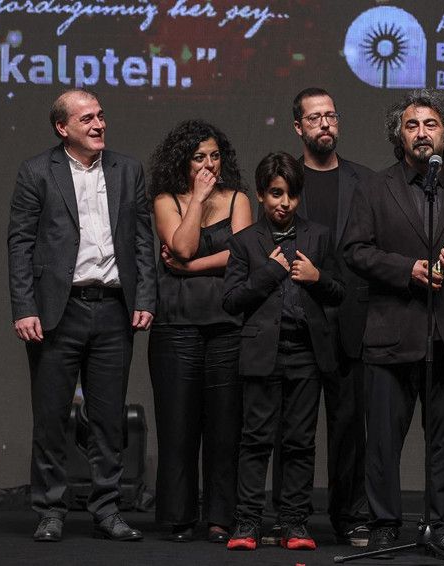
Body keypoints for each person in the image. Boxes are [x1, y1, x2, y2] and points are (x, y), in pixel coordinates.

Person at [343, 89, 444, 554]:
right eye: (412, 125)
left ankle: (441, 527)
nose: (422, 133)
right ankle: (384, 524)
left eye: (431, 125)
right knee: (383, 441)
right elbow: (355, 251)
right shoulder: (374, 187)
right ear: (399, 136)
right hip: (390, 332)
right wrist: (407, 269)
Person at [7, 88, 156, 542]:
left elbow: (143, 240)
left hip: (113, 309)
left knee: (108, 419)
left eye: (101, 116)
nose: (99, 124)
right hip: (59, 310)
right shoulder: (37, 171)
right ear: (62, 128)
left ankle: (107, 509)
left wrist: (145, 297)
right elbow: (20, 243)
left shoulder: (128, 170)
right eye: (87, 118)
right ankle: (51, 510)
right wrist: (24, 307)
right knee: (51, 417)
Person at [223, 152, 345, 551]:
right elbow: (231, 300)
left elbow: (339, 291)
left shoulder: (318, 236)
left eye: (291, 195)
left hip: (306, 352)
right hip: (263, 352)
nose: (284, 203)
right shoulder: (244, 241)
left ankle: (294, 522)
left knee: (299, 441)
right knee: (256, 439)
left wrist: (317, 277)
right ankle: (247, 522)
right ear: (261, 195)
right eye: (276, 194)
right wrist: (270, 273)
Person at [147, 120, 253, 543]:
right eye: (199, 158)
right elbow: (184, 243)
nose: (209, 165)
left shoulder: (239, 199)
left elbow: (243, 255)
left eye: (214, 156)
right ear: (183, 162)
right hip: (176, 327)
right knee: (178, 425)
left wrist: (188, 268)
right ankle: (179, 516)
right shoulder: (165, 200)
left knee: (225, 427)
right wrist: (197, 200)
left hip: (228, 325)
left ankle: (220, 517)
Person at [291, 87, 373, 546]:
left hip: (350, 321)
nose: (325, 123)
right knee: (293, 429)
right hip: (296, 320)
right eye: (314, 117)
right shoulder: (283, 179)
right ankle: (291, 516)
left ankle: (350, 516)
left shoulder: (365, 181)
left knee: (349, 428)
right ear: (298, 127)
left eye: (331, 115)